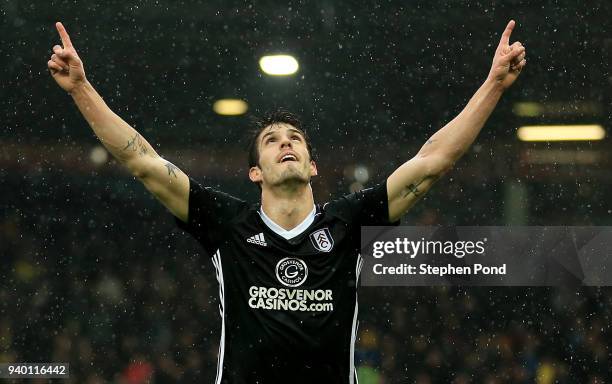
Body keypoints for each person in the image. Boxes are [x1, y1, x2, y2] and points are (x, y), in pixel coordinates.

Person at [48, 20, 526, 383]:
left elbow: (432, 161)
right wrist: (81, 89)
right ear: (256, 172)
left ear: (313, 165)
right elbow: (145, 163)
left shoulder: (348, 223)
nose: (286, 143)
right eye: (272, 140)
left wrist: (494, 86)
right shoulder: (227, 222)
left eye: (295, 138)